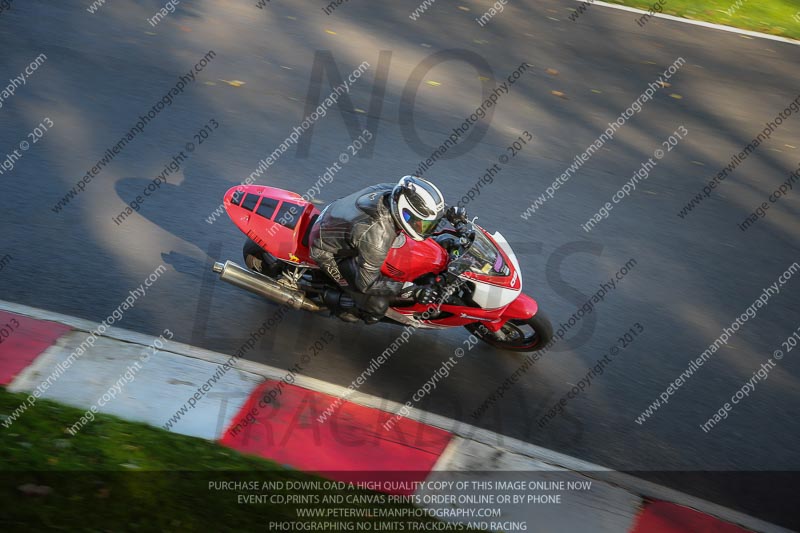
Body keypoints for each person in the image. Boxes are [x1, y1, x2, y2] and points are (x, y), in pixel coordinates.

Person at [309, 175, 454, 324]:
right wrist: (412, 290)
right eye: (423, 224)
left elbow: (422, 204)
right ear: (406, 213)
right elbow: (367, 284)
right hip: (328, 252)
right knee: (377, 307)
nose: (426, 228)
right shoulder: (377, 237)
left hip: (339, 217)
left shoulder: (396, 192)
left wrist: (448, 213)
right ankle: (341, 305)